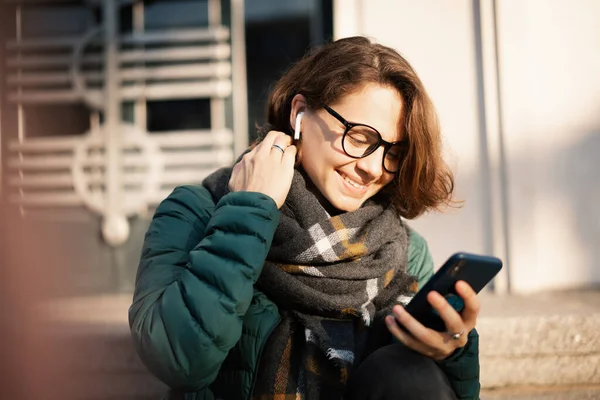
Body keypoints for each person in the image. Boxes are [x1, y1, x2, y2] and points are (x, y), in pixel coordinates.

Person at [129, 36, 481, 400]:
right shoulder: (199, 213)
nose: (374, 169)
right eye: (360, 137)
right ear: (300, 113)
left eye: (394, 153)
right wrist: (250, 208)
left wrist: (453, 353)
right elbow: (179, 360)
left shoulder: (402, 249)